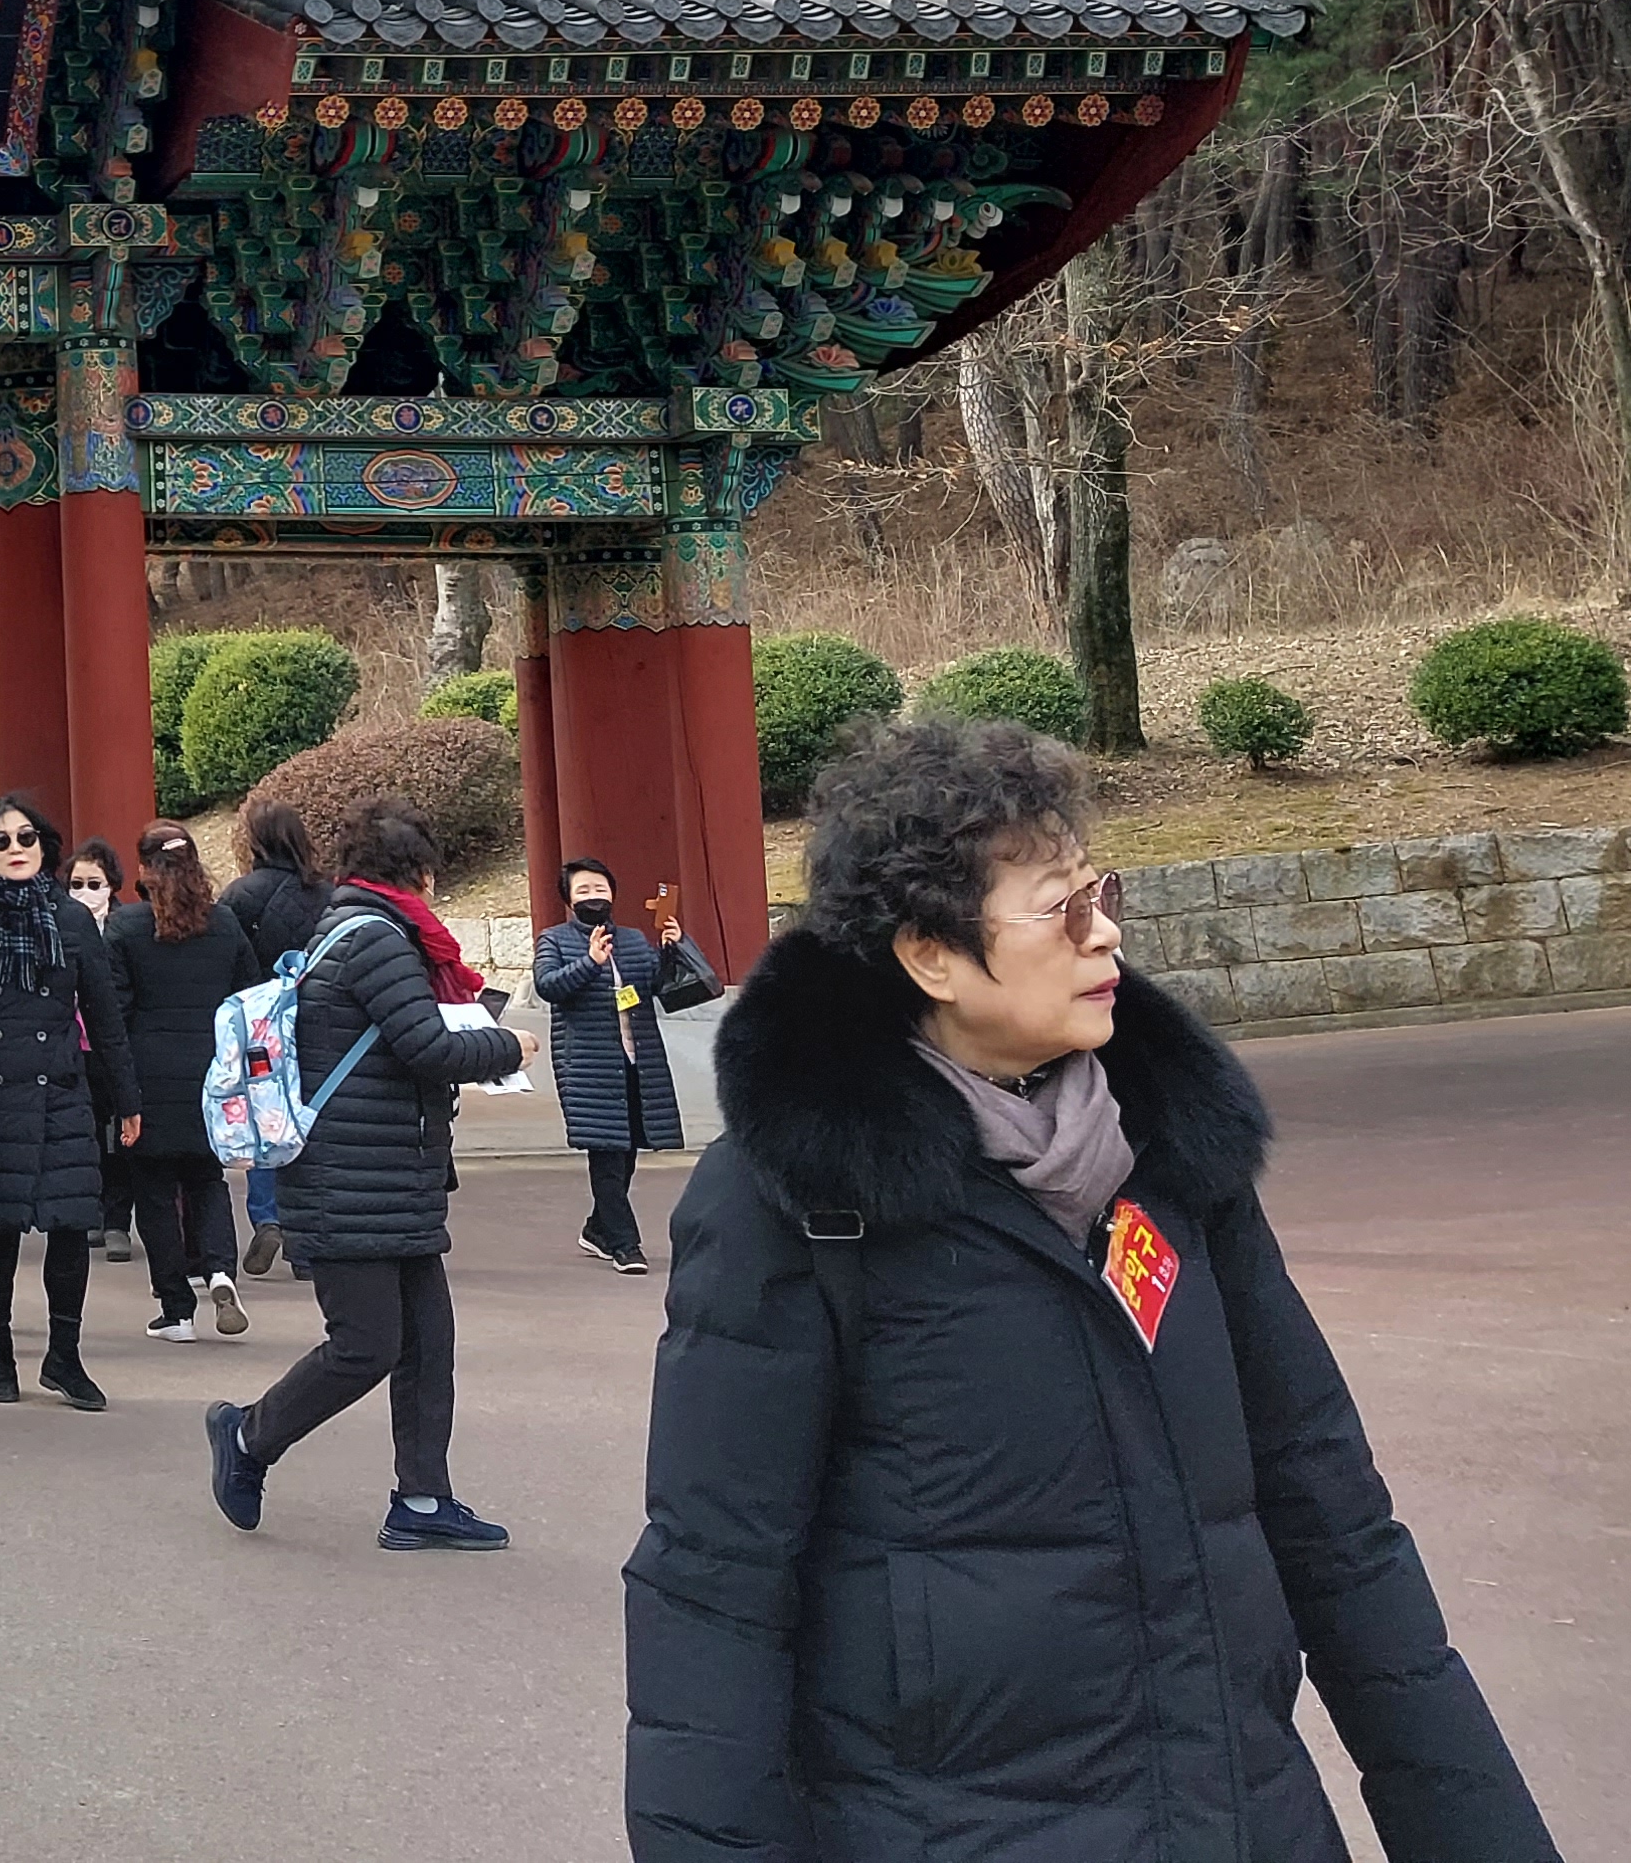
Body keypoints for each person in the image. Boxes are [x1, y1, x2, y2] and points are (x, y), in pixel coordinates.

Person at [626, 721, 1558, 1862]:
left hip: (1242, 1818)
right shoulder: (801, 1200)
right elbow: (713, 1585)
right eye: (1061, 909)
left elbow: (1334, 1519)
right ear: (931, 955)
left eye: (1099, 893)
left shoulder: (1171, 1153)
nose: (1105, 931)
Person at [203, 801, 534, 1551]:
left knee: (426, 1344)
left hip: (386, 1173)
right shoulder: (377, 938)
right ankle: (248, 1436)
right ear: (416, 870)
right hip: (348, 1177)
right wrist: (509, 1048)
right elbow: (428, 1048)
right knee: (366, 1345)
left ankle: (422, 1500)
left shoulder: (357, 928)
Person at [0, 796, 138, 1409]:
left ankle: (64, 1356)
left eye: (26, 837)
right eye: (1, 841)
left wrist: (127, 1098)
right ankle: (0, 1356)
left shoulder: (72, 918)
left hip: (61, 1089)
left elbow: (104, 1017)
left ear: (45, 844)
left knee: (70, 1224)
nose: (16, 849)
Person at [108, 824, 262, 1344]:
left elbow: (113, 1011)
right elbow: (248, 998)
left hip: (147, 1074)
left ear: (144, 869)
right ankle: (218, 1269)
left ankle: (176, 1309)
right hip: (212, 1072)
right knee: (207, 1179)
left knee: (154, 1192)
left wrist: (118, 1087)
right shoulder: (224, 923)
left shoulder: (128, 926)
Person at [534, 853, 684, 1272]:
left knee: (628, 1150)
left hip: (637, 1060)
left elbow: (658, 986)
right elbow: (548, 986)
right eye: (583, 890)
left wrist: (671, 950)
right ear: (569, 899)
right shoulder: (555, 940)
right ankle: (624, 1244)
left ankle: (598, 1228)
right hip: (588, 1064)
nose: (593, 896)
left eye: (600, 888)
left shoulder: (633, 940)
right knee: (606, 1155)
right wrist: (590, 962)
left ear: (613, 894)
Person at [218, 800, 332, 1277]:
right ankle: (307, 1244)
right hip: (317, 1021)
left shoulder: (239, 896)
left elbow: (227, 961)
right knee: (310, 1124)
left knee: (268, 1120)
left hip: (261, 1027)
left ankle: (268, 1216)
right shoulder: (326, 893)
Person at [66, 838, 138, 1260]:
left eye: (94, 883)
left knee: (120, 1137)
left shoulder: (124, 929)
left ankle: (117, 1220)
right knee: (85, 1134)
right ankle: (91, 1212)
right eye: (77, 883)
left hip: (113, 1045)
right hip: (73, 1047)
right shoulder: (61, 927)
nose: (85, 892)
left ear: (112, 885)